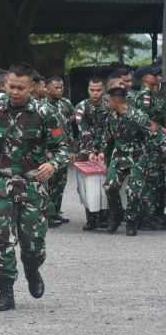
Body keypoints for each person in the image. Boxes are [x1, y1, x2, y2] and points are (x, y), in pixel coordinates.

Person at [0, 63, 70, 311]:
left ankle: (32, 268)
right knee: (2, 239)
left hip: (32, 184)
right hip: (2, 183)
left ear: (31, 88)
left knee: (34, 243)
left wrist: (52, 164)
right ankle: (5, 293)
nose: (15, 92)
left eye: (20, 88)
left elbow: (63, 148)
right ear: (5, 85)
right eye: (11, 86)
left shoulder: (45, 113)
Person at [102, 86, 157, 236]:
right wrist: (102, 154)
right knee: (110, 186)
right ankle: (116, 215)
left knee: (132, 191)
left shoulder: (138, 116)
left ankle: (131, 220)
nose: (106, 104)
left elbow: (153, 136)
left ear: (116, 101)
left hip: (138, 156)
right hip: (119, 156)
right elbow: (108, 139)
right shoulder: (111, 116)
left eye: (108, 101)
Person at [128, 66, 166, 230]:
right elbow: (145, 121)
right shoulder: (145, 95)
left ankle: (153, 215)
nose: (158, 77)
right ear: (145, 78)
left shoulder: (155, 94)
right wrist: (160, 130)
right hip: (148, 145)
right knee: (149, 181)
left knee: (156, 181)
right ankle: (145, 217)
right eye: (154, 75)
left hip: (155, 143)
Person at [73, 77, 110, 230]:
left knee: (104, 184)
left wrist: (103, 150)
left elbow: (110, 130)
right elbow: (84, 131)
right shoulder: (81, 107)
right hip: (84, 151)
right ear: (88, 90)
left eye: (98, 90)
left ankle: (105, 217)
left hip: (106, 150)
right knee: (86, 186)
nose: (95, 93)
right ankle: (91, 219)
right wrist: (90, 152)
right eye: (92, 90)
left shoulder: (109, 106)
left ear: (104, 90)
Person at [44, 76, 75, 227]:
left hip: (63, 149)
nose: (60, 90)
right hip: (50, 150)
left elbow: (71, 127)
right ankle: (47, 215)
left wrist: (73, 148)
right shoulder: (42, 106)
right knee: (49, 183)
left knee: (61, 183)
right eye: (56, 87)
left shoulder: (66, 104)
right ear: (47, 89)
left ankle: (56, 211)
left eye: (61, 87)